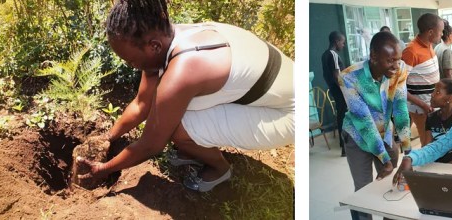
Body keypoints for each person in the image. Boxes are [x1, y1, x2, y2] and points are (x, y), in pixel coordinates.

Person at [76, 0, 295, 192]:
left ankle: (219, 170)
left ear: (153, 46)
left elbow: (152, 144)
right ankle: (196, 148)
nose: (131, 66)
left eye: (131, 61)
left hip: (290, 113)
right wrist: (107, 138)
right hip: (271, 92)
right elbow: (142, 103)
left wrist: (103, 169)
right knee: (169, 114)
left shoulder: (185, 68)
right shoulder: (163, 39)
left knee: (175, 128)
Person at [335, 32, 408, 220]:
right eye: (390, 60)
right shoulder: (349, 77)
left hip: (385, 133)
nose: (396, 65)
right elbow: (364, 123)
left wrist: (409, 151)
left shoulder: (399, 71)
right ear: (373, 56)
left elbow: (400, 110)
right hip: (357, 136)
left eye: (398, 59)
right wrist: (384, 158)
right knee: (363, 190)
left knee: (390, 185)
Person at [402, 13, 444, 148]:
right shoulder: (411, 51)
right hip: (421, 108)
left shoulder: (430, 45)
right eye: (441, 31)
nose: (442, 34)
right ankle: (423, 168)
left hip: (432, 104)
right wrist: (422, 104)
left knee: (436, 142)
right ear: (430, 32)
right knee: (427, 144)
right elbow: (398, 87)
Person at [322, 31, 348, 156]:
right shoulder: (333, 54)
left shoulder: (324, 55)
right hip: (339, 90)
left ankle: (342, 144)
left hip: (333, 89)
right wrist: (345, 90)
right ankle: (344, 147)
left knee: (340, 115)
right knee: (343, 117)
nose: (343, 45)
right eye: (342, 42)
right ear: (336, 41)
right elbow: (337, 75)